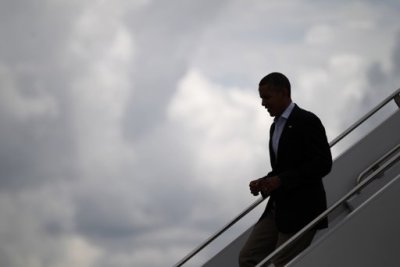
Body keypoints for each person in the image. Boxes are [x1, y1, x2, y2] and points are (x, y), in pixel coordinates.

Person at [239, 72, 332, 267]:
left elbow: (323, 163)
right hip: (279, 207)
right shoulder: (275, 127)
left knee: (281, 262)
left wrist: (281, 180)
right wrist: (265, 181)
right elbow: (284, 168)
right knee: (248, 258)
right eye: (261, 98)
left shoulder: (307, 121)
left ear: (283, 93)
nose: (263, 103)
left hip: (302, 209)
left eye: (266, 97)